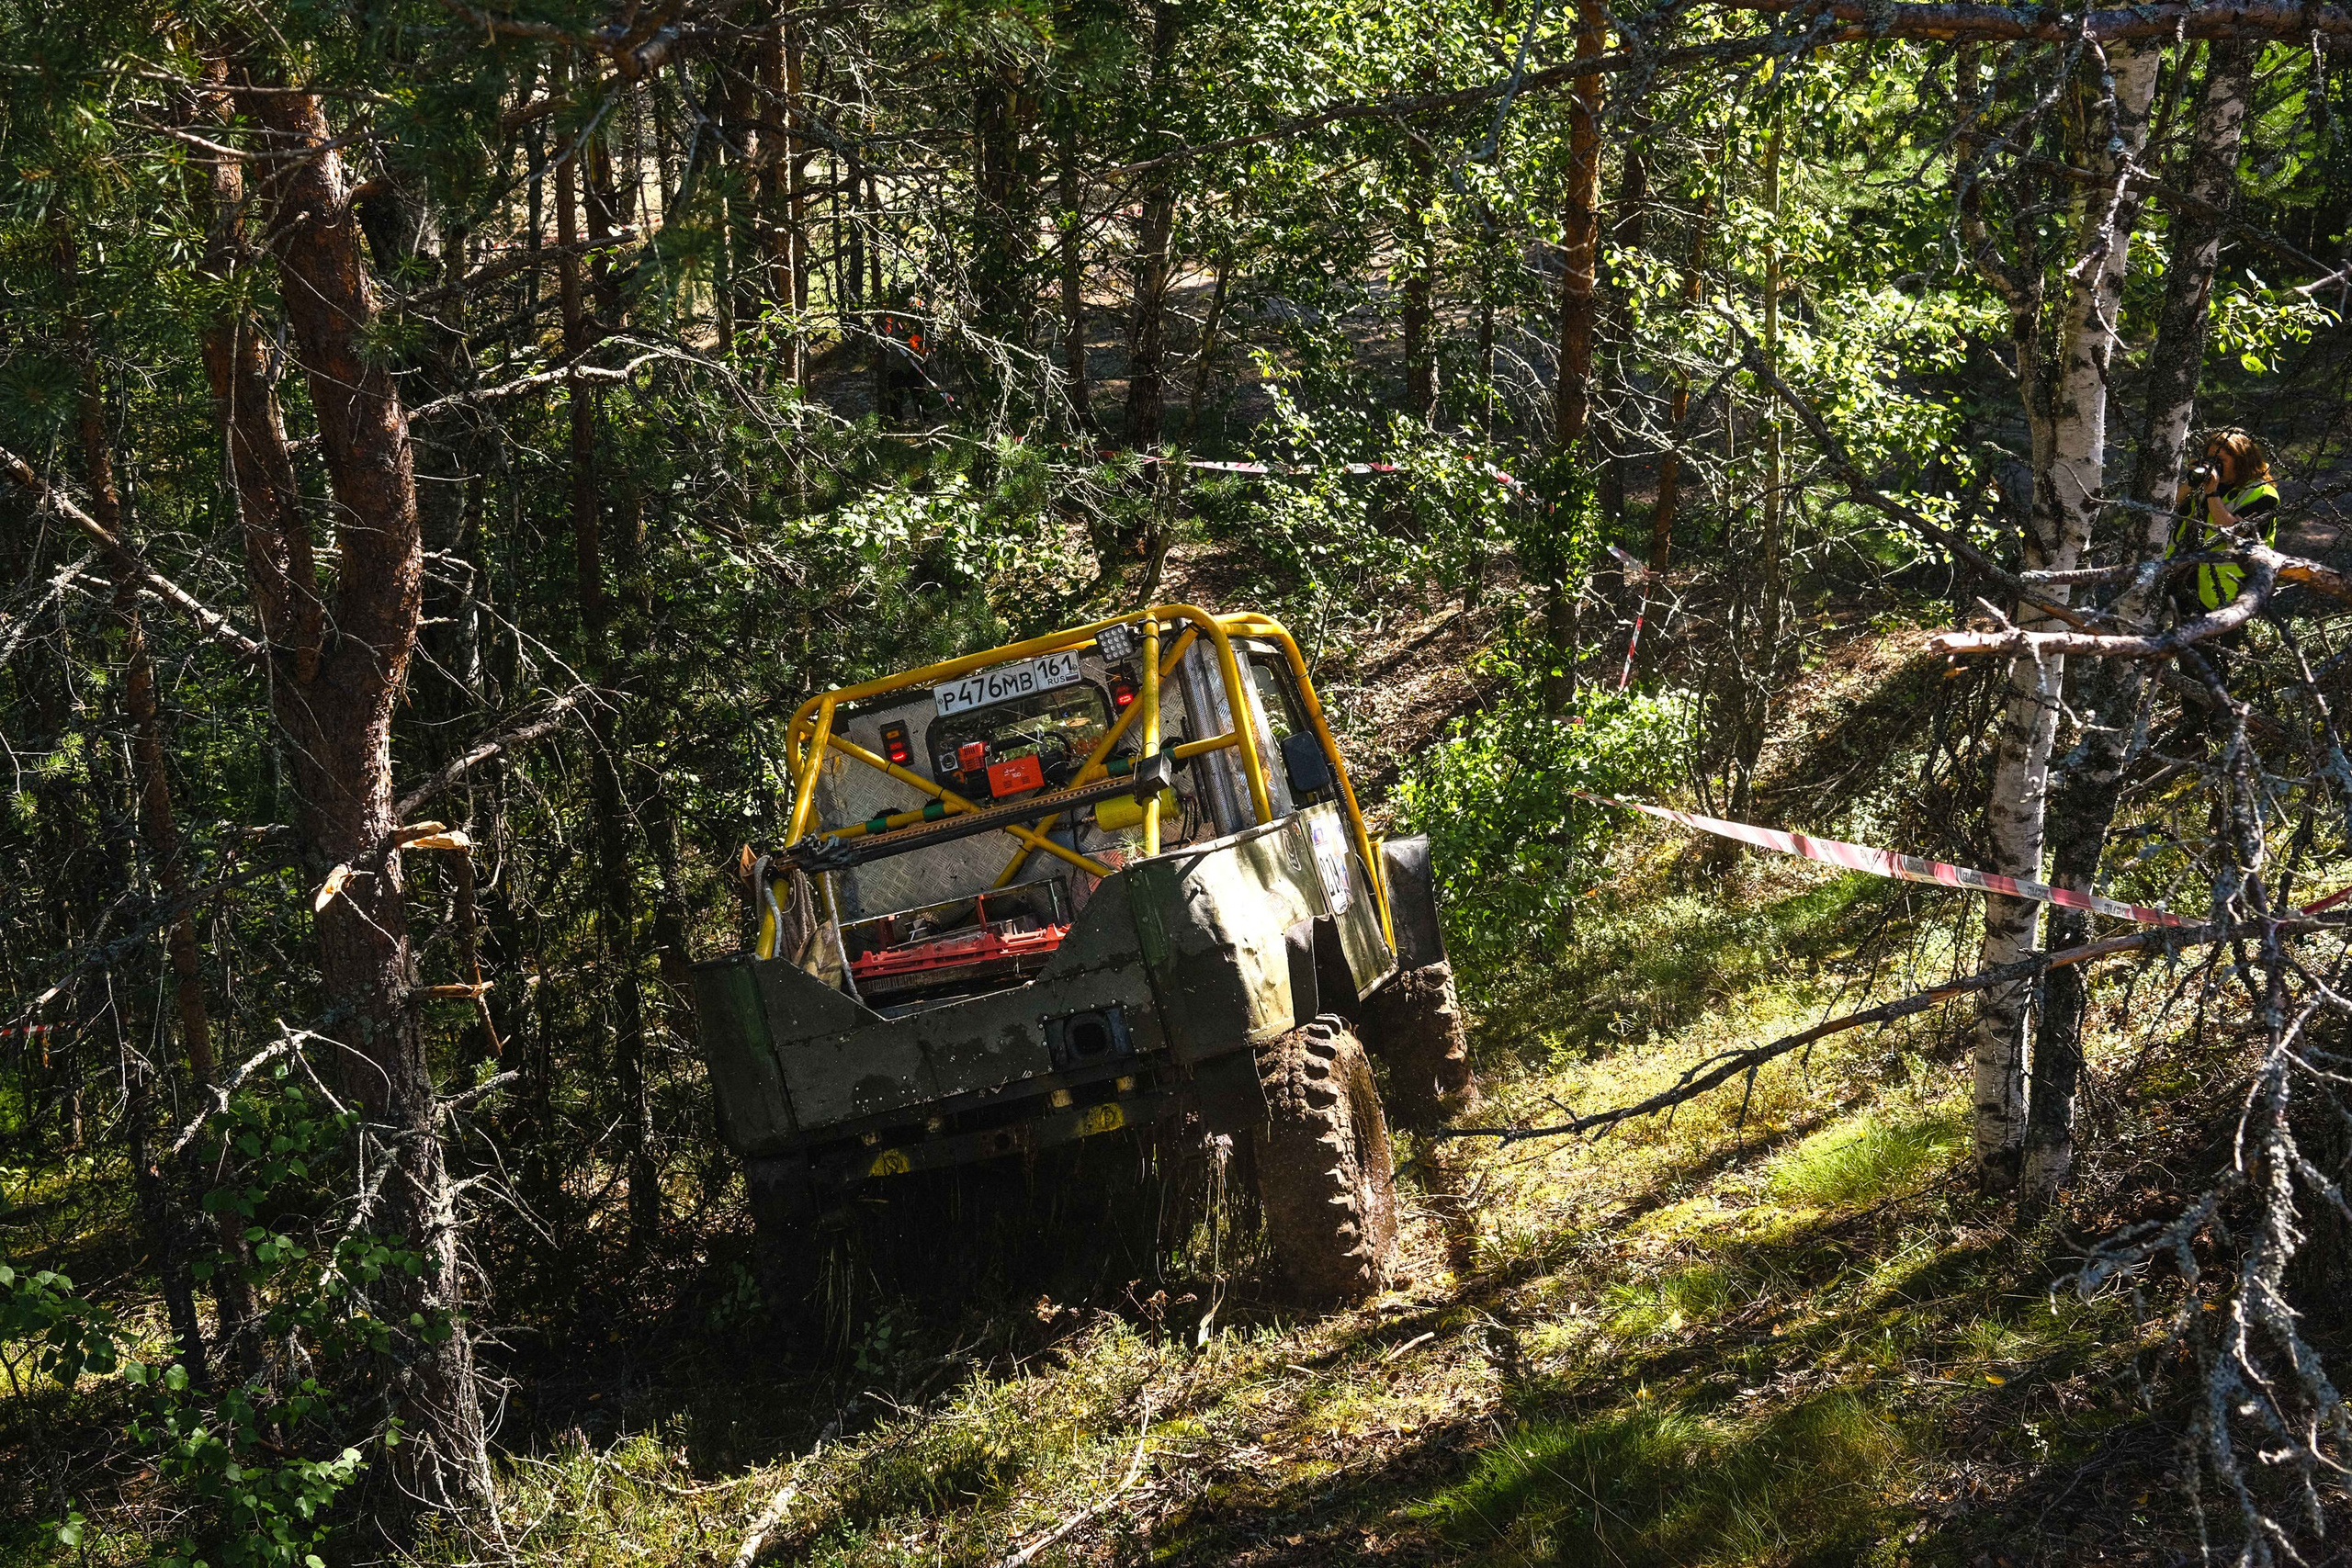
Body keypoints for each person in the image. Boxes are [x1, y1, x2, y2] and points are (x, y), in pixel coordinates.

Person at [2172, 427, 2280, 615]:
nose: (2214, 466)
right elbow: (2169, 504)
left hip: (2230, 588)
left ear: (2241, 462)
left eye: (2220, 461)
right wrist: (2192, 481)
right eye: (2210, 459)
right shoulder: (2205, 483)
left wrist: (2212, 493)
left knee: (2219, 642)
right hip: (2183, 574)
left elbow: (2234, 533)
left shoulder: (2263, 495)